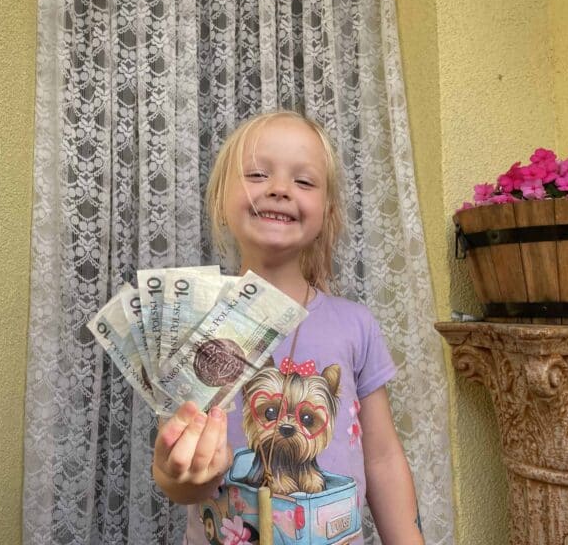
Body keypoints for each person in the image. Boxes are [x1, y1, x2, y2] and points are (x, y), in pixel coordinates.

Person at [152, 111, 424, 544]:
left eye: (304, 182)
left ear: (326, 212)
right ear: (222, 198)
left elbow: (384, 459)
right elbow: (184, 482)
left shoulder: (356, 325)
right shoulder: (194, 326)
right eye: (258, 174)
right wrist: (180, 474)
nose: (279, 189)